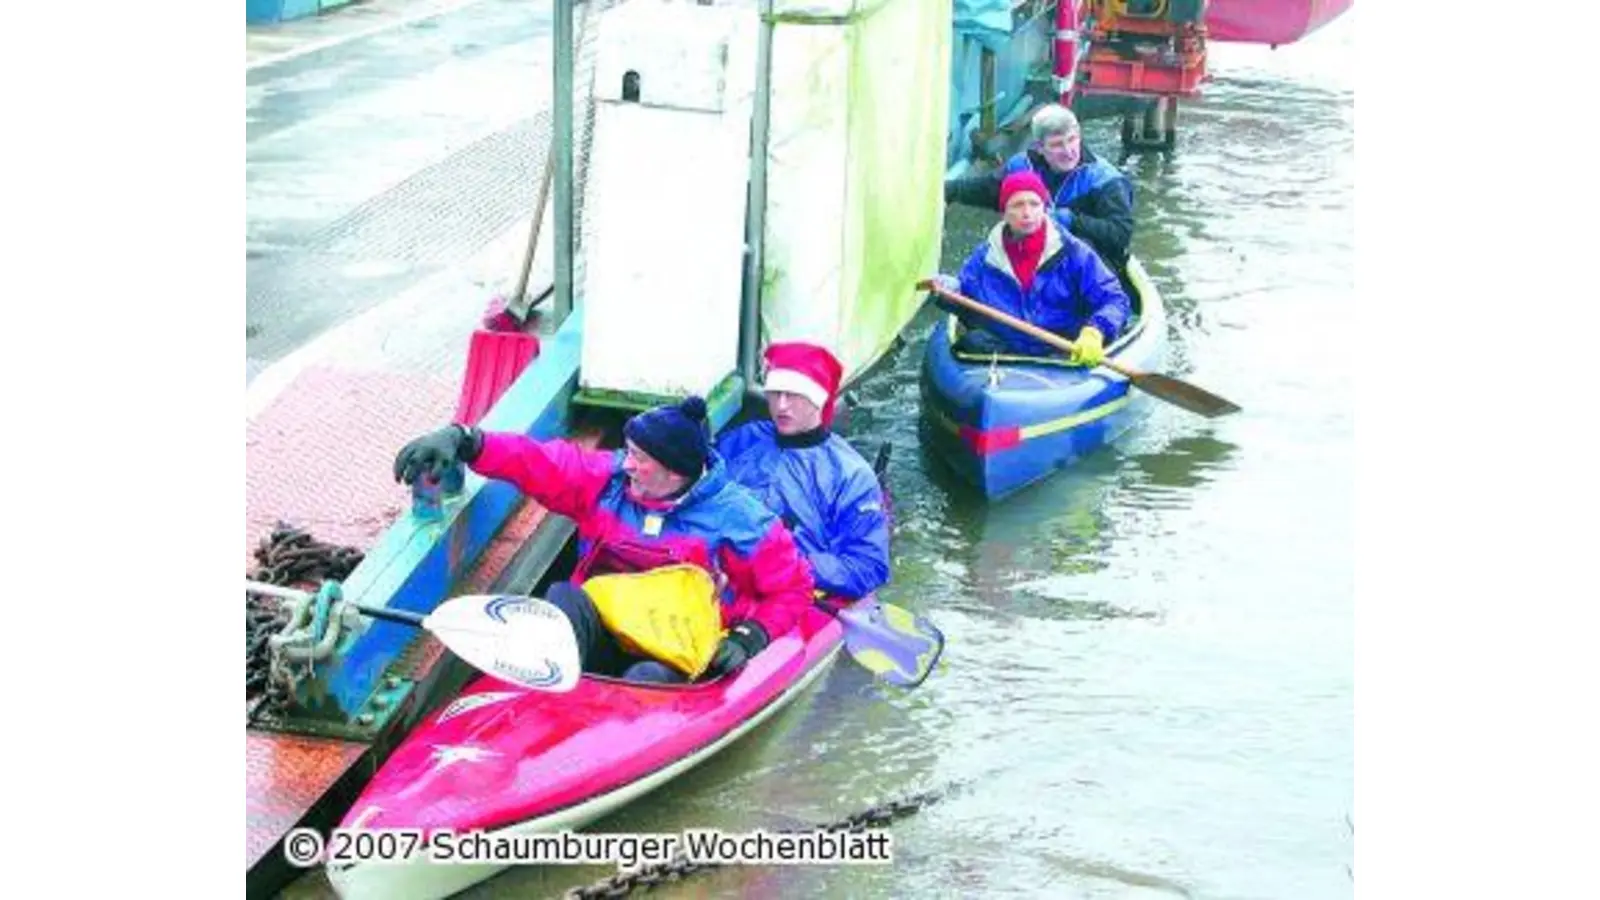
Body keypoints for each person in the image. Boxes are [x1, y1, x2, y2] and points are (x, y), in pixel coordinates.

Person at [392, 396, 815, 684]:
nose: (625, 463)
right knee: (562, 597)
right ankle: (545, 693)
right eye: (628, 451)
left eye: (639, 458)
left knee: (645, 679)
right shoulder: (606, 481)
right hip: (603, 630)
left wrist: (751, 636)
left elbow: (793, 588)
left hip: (672, 651)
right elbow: (537, 462)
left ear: (674, 471)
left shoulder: (742, 520)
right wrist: (467, 441)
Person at [717, 342, 891, 605]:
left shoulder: (851, 476)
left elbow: (867, 567)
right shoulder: (741, 440)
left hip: (792, 591)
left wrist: (788, 562)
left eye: (794, 395)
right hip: (723, 578)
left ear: (818, 399)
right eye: (775, 393)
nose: (781, 406)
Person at [935, 169, 1131, 366]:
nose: (1027, 213)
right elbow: (966, 301)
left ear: (1044, 208)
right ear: (1004, 213)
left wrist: (1095, 331)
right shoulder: (985, 257)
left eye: (1034, 204)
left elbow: (1115, 300)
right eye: (1017, 205)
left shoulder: (1074, 252)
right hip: (1008, 352)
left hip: (1064, 350)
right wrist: (948, 289)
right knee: (972, 342)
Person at [944, 103, 1135, 273]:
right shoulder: (1022, 166)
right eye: (1057, 145)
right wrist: (947, 191)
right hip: (1038, 261)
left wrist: (1070, 220)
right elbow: (987, 191)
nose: (1069, 151)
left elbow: (1120, 235)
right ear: (1039, 147)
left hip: (1090, 268)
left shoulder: (1107, 181)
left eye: (1072, 139)